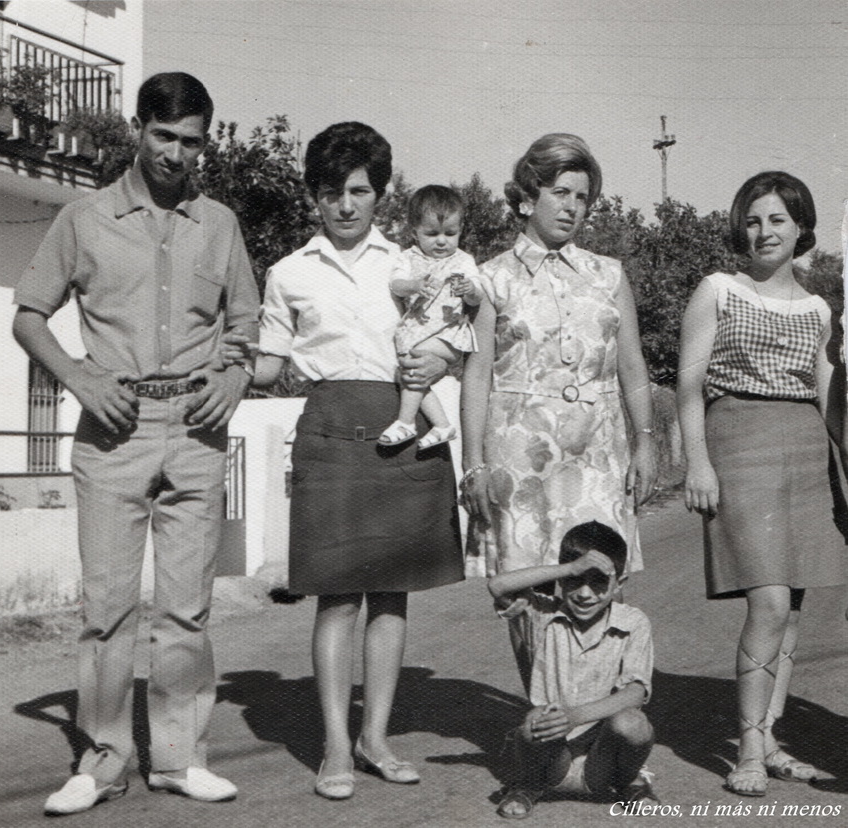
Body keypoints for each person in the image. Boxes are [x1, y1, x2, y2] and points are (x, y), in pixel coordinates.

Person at [12, 73, 260, 815]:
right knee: (108, 609)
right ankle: (102, 761)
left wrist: (233, 378)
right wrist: (77, 378)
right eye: (163, 136)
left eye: (191, 143)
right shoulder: (83, 219)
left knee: (186, 611)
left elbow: (245, 323)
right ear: (137, 129)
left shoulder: (219, 224)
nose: (175, 155)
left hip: (197, 432)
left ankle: (180, 759)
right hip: (111, 430)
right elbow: (28, 316)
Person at [250, 122, 464, 799]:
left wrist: (443, 360)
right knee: (337, 598)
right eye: (331, 192)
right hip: (330, 432)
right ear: (313, 195)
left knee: (391, 595)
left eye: (359, 191)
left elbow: (453, 333)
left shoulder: (410, 265)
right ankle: (336, 747)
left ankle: (376, 738)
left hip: (404, 427)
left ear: (381, 194)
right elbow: (266, 366)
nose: (345, 205)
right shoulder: (288, 272)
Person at [460, 133, 657, 691]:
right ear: (527, 197)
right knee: (529, 590)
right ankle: (544, 715)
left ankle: (594, 720)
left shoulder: (608, 274)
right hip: (518, 459)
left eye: (582, 197)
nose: (572, 207)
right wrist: (473, 465)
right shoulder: (490, 278)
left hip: (598, 451)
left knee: (598, 576)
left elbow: (633, 366)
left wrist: (645, 441)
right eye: (560, 193)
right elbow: (476, 375)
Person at [677, 171, 847, 797]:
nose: (764, 232)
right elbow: (688, 387)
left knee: (793, 608)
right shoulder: (718, 289)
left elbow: (830, 404)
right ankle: (747, 747)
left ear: (801, 227)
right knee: (769, 601)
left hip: (806, 450)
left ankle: (771, 740)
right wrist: (697, 462)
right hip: (738, 442)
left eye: (777, 219)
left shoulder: (820, 309)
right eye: (753, 220)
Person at [488, 521, 657, 819]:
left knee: (633, 723)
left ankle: (628, 782)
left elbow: (636, 693)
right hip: (552, 755)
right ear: (562, 580)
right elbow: (498, 586)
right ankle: (529, 784)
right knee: (534, 720)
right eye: (575, 580)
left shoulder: (633, 622)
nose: (584, 594)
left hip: (602, 758)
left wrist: (575, 717)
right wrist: (569, 567)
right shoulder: (542, 614)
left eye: (599, 582)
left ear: (619, 583)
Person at [380, 185, 483, 449]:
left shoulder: (463, 261)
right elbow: (396, 285)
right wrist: (413, 285)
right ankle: (442, 425)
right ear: (414, 231)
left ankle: (405, 422)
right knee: (409, 369)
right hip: (417, 331)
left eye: (450, 233)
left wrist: (470, 290)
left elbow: (476, 298)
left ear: (460, 230)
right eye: (432, 233)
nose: (441, 241)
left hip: (449, 333)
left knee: (414, 358)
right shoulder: (408, 258)